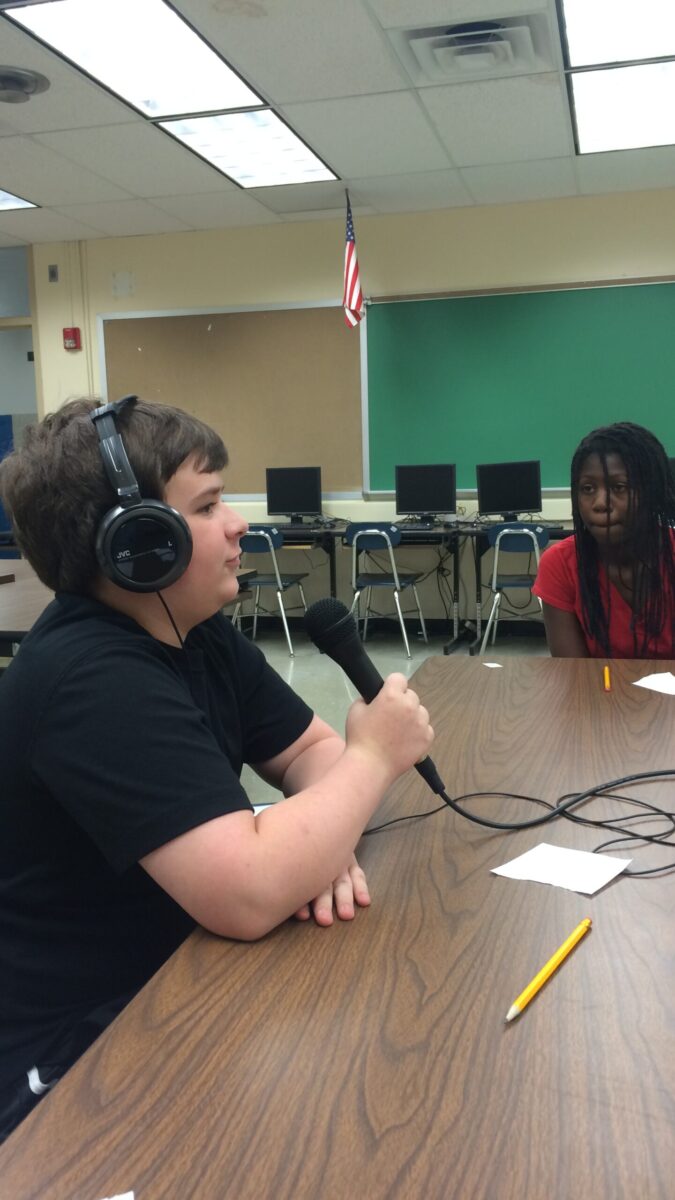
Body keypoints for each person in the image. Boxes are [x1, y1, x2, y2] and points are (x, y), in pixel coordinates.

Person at [0, 395, 434, 1140]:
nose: (238, 523)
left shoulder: (193, 632)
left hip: (181, 972)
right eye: (206, 506)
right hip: (79, 1051)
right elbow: (247, 892)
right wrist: (373, 759)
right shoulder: (91, 678)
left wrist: (317, 841)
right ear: (138, 543)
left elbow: (305, 753)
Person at [533, 421, 675, 657]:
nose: (599, 503)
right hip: (597, 693)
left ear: (652, 492)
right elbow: (573, 674)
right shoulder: (560, 565)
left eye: (619, 487)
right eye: (587, 488)